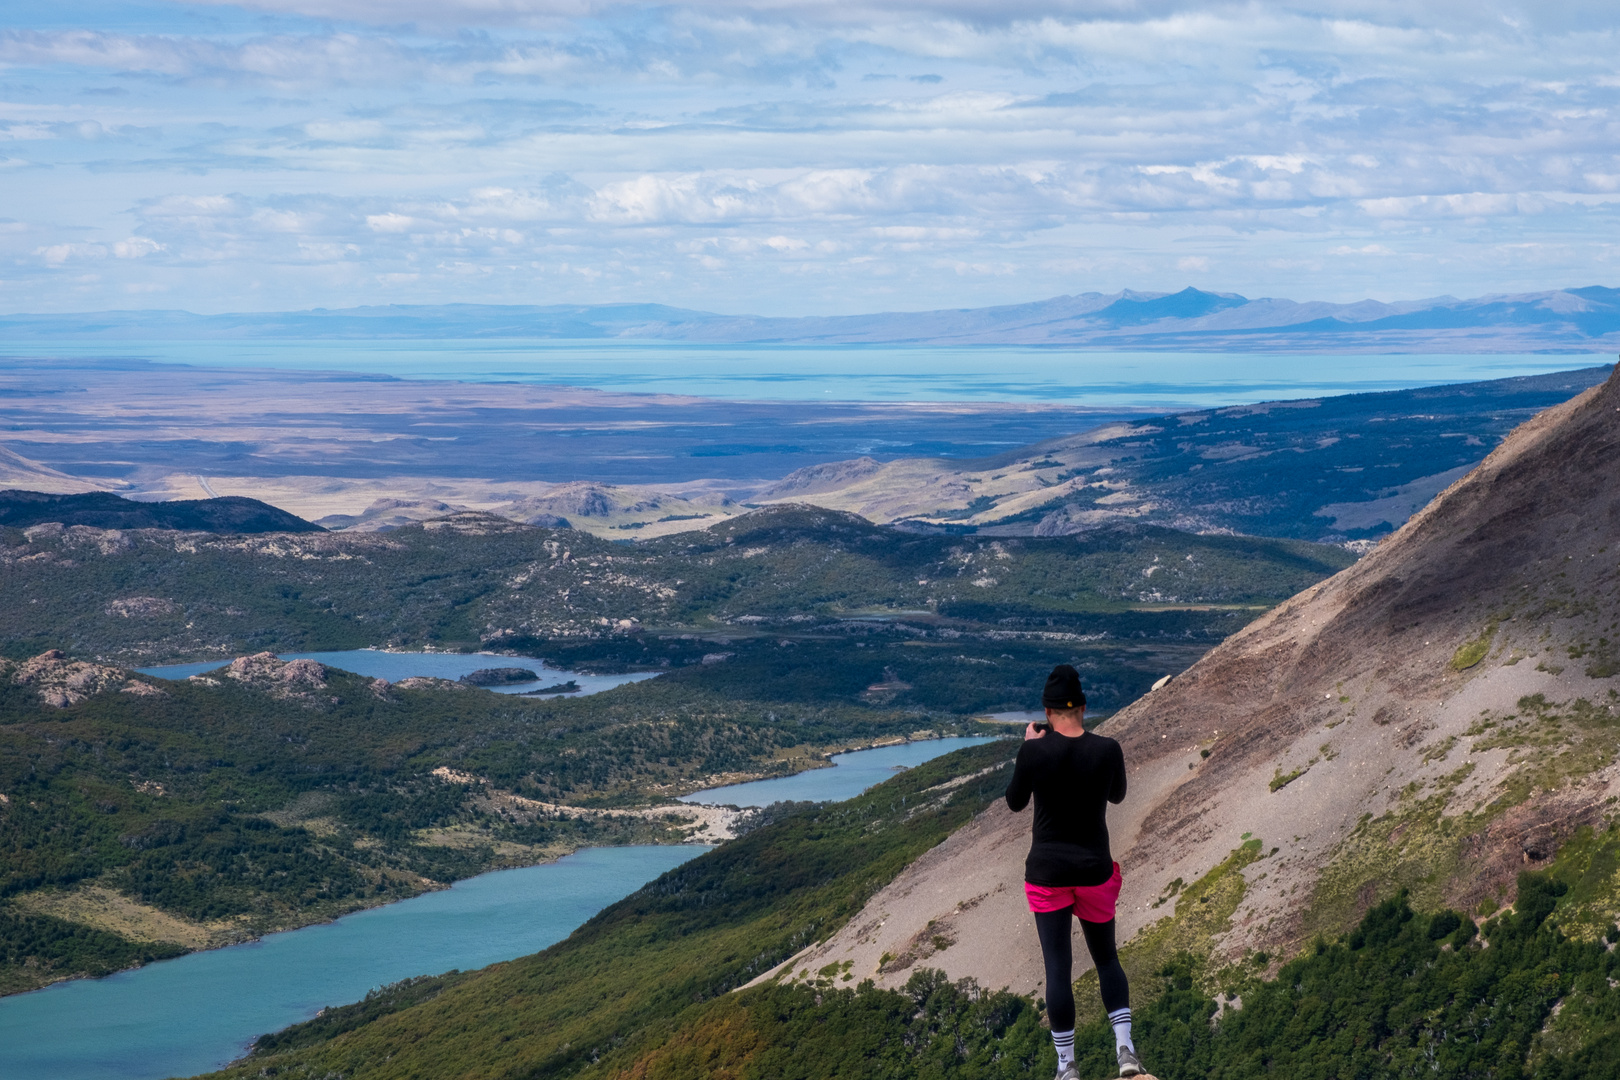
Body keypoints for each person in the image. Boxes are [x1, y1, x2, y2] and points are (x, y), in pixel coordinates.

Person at [1006, 664, 1141, 1080]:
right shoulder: (1107, 749)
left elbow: (1014, 802)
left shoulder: (1034, 751)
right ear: (1083, 707)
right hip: (1094, 870)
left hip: (1047, 874)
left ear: (1047, 713)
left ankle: (1067, 1068)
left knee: (1057, 968)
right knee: (1106, 959)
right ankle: (1125, 1050)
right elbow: (1117, 796)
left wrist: (1028, 748)